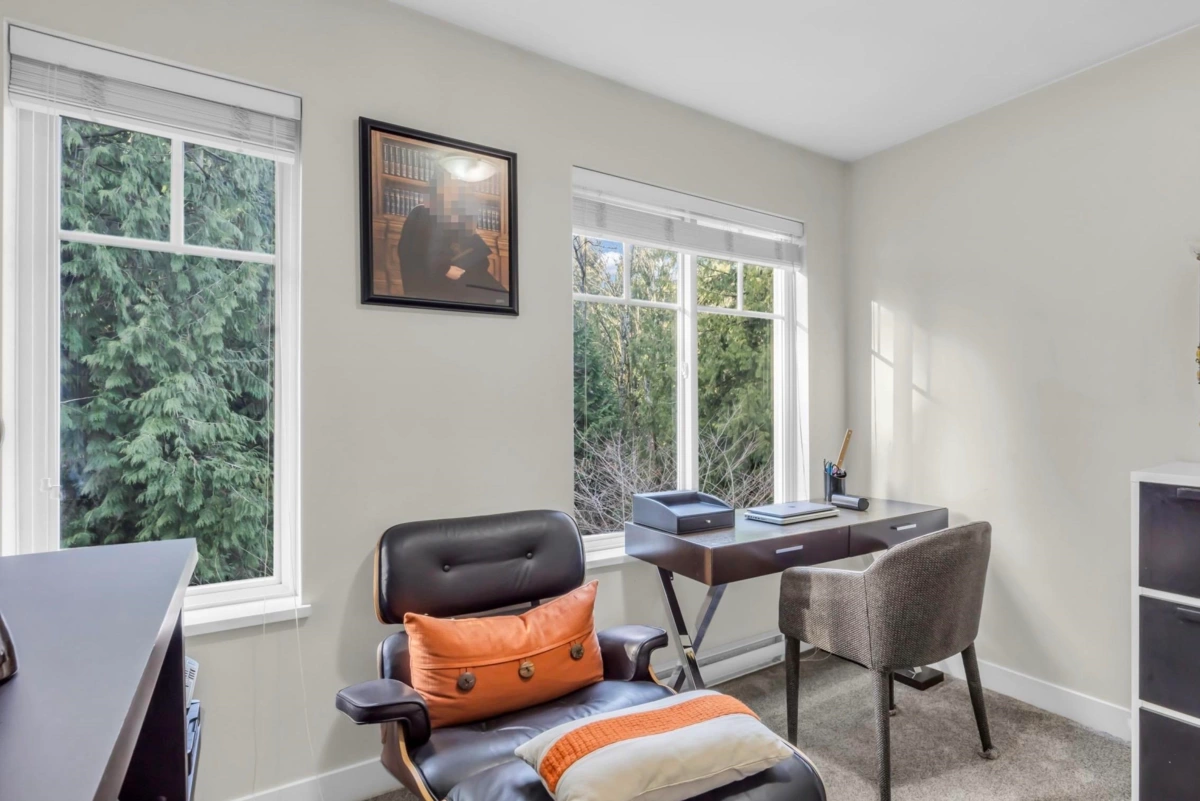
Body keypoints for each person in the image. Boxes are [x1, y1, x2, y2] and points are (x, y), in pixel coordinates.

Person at [396, 168, 505, 305]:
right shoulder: (421, 213)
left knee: (503, 299)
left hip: (467, 278)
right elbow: (410, 251)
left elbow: (481, 260)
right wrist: (445, 269)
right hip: (439, 283)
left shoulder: (459, 220)